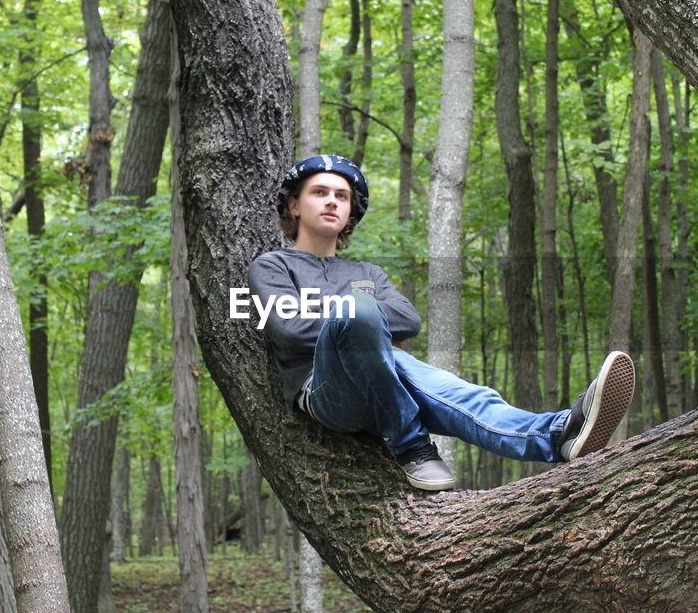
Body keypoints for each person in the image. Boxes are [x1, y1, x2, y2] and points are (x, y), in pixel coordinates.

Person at [246, 154, 634, 491]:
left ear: (351, 213)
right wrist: (358, 318)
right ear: (294, 206)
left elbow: (408, 320)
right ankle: (411, 444)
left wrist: (357, 322)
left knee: (468, 396)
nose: (332, 201)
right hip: (329, 394)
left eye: (342, 196)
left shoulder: (367, 270)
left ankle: (557, 435)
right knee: (361, 312)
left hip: (388, 378)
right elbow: (288, 329)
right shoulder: (273, 267)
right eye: (320, 192)